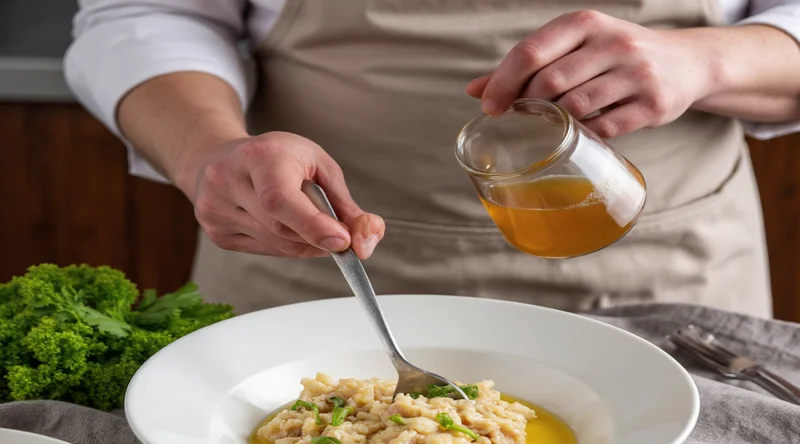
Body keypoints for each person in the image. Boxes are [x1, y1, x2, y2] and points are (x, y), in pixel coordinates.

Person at [64, 1, 800, 317]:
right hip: (314, 268)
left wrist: (713, 59)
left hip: (665, 272)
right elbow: (146, 12)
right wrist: (209, 154)